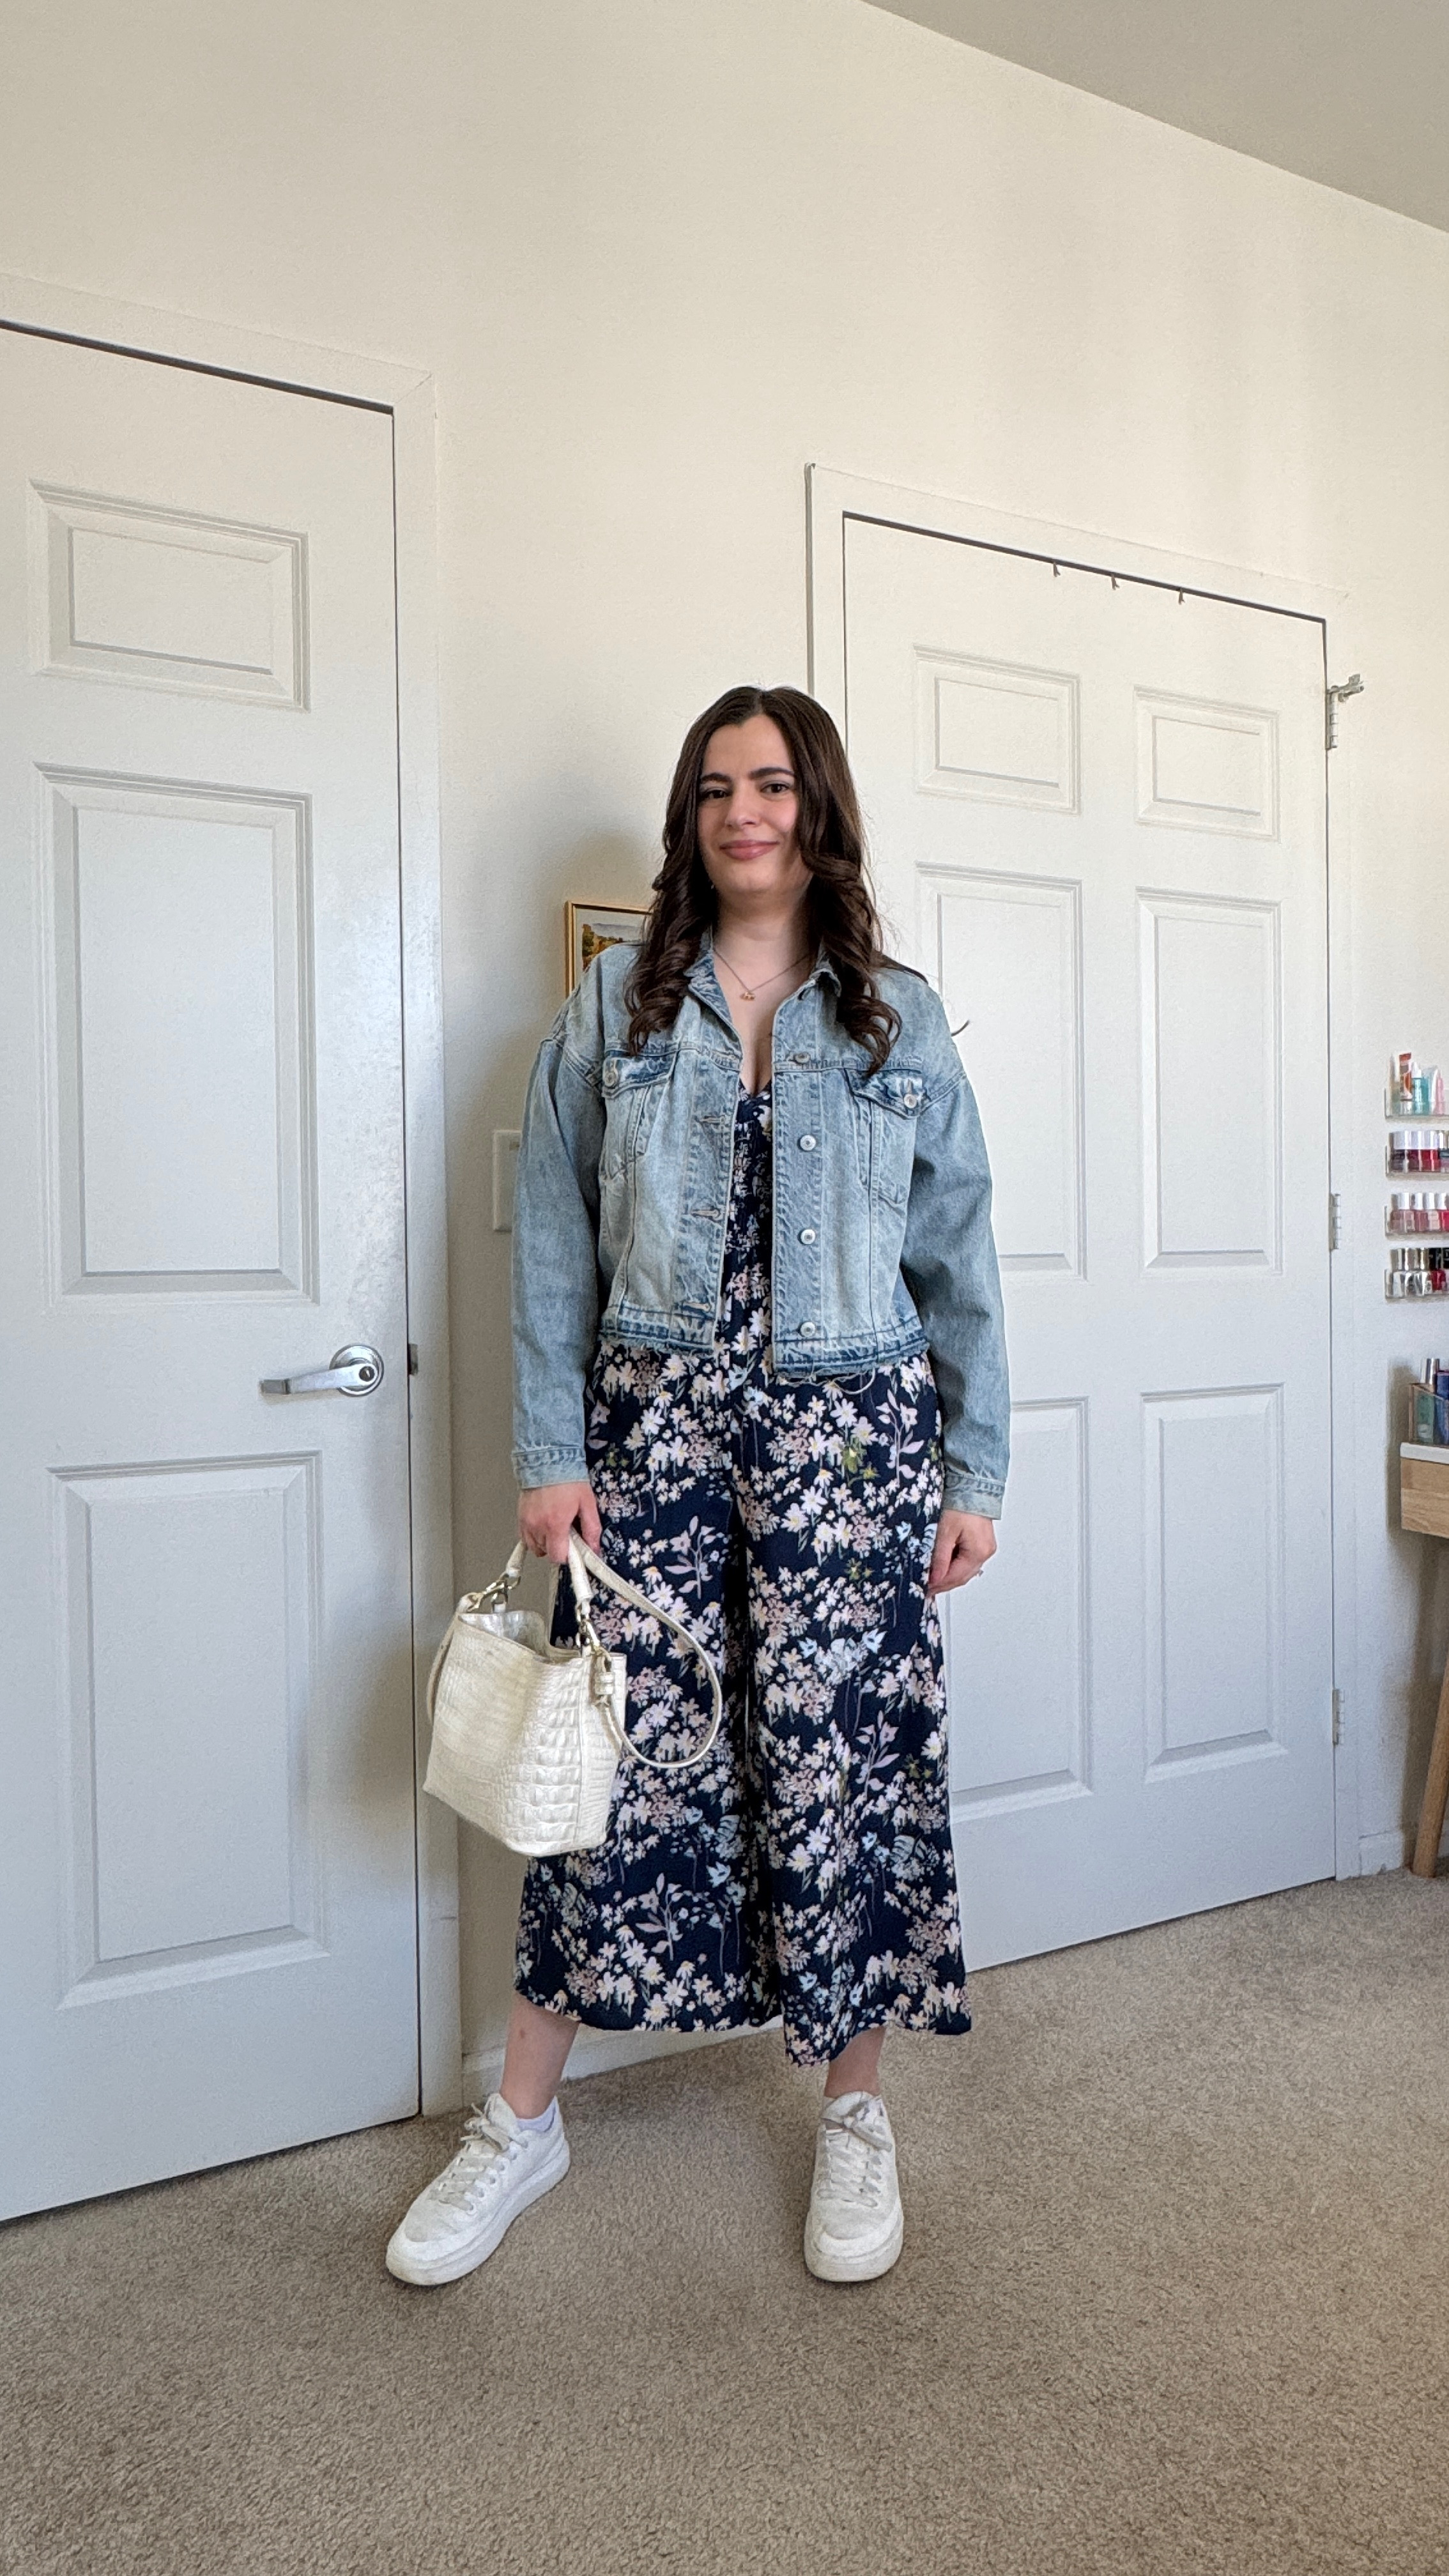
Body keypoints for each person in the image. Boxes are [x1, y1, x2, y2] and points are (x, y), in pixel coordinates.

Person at [387, 685, 1008, 2290]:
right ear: (693, 816)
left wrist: (976, 1471)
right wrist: (549, 1451)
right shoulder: (617, 1008)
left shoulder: (898, 1020)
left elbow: (960, 1261)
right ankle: (524, 2123)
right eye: (721, 786)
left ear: (820, 812)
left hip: (853, 1451)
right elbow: (550, 1248)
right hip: (653, 1437)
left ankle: (855, 2111)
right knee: (614, 1774)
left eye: (776, 784)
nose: (748, 811)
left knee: (839, 1771)